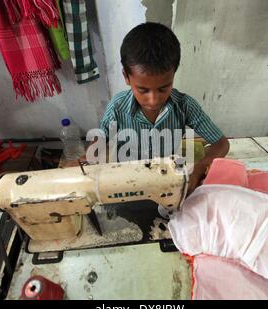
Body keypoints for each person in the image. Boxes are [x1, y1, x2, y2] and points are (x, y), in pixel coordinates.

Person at [98, 22, 229, 195]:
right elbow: (98, 144)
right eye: (143, 90)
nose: (153, 100)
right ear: (126, 77)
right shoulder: (116, 108)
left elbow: (221, 143)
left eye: (163, 88)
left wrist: (198, 168)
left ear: (173, 74)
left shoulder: (184, 106)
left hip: (168, 182)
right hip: (128, 184)